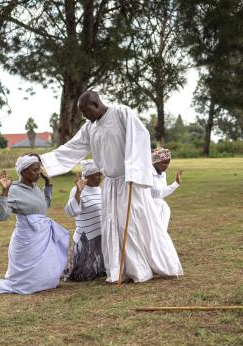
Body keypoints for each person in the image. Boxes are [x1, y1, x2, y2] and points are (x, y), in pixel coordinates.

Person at [40, 90, 182, 283]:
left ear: (96, 105)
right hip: (110, 184)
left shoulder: (121, 113)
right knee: (113, 226)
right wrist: (43, 161)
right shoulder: (90, 127)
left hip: (130, 181)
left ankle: (143, 268)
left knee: (132, 224)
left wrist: (134, 171)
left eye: (85, 111)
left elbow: (140, 137)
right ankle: (120, 269)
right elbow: (72, 148)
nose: (84, 116)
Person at [0, 154, 69, 295]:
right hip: (26, 240)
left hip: (41, 236)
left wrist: (48, 183)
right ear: (23, 171)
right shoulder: (14, 190)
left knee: (45, 279)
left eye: (39, 169)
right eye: (34, 170)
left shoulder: (34, 187)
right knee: (24, 285)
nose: (38, 173)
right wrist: (4, 191)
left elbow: (44, 206)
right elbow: (1, 217)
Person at [63, 159, 105, 281]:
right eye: (97, 175)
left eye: (100, 174)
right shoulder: (77, 190)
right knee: (82, 275)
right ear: (88, 176)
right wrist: (78, 192)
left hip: (101, 233)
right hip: (87, 236)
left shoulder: (101, 189)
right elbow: (72, 211)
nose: (100, 177)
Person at [151, 148, 182, 231]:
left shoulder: (163, 174)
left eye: (168, 163)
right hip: (149, 209)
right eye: (164, 162)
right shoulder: (148, 174)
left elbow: (161, 194)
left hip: (161, 210)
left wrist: (176, 184)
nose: (166, 165)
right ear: (156, 162)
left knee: (161, 235)